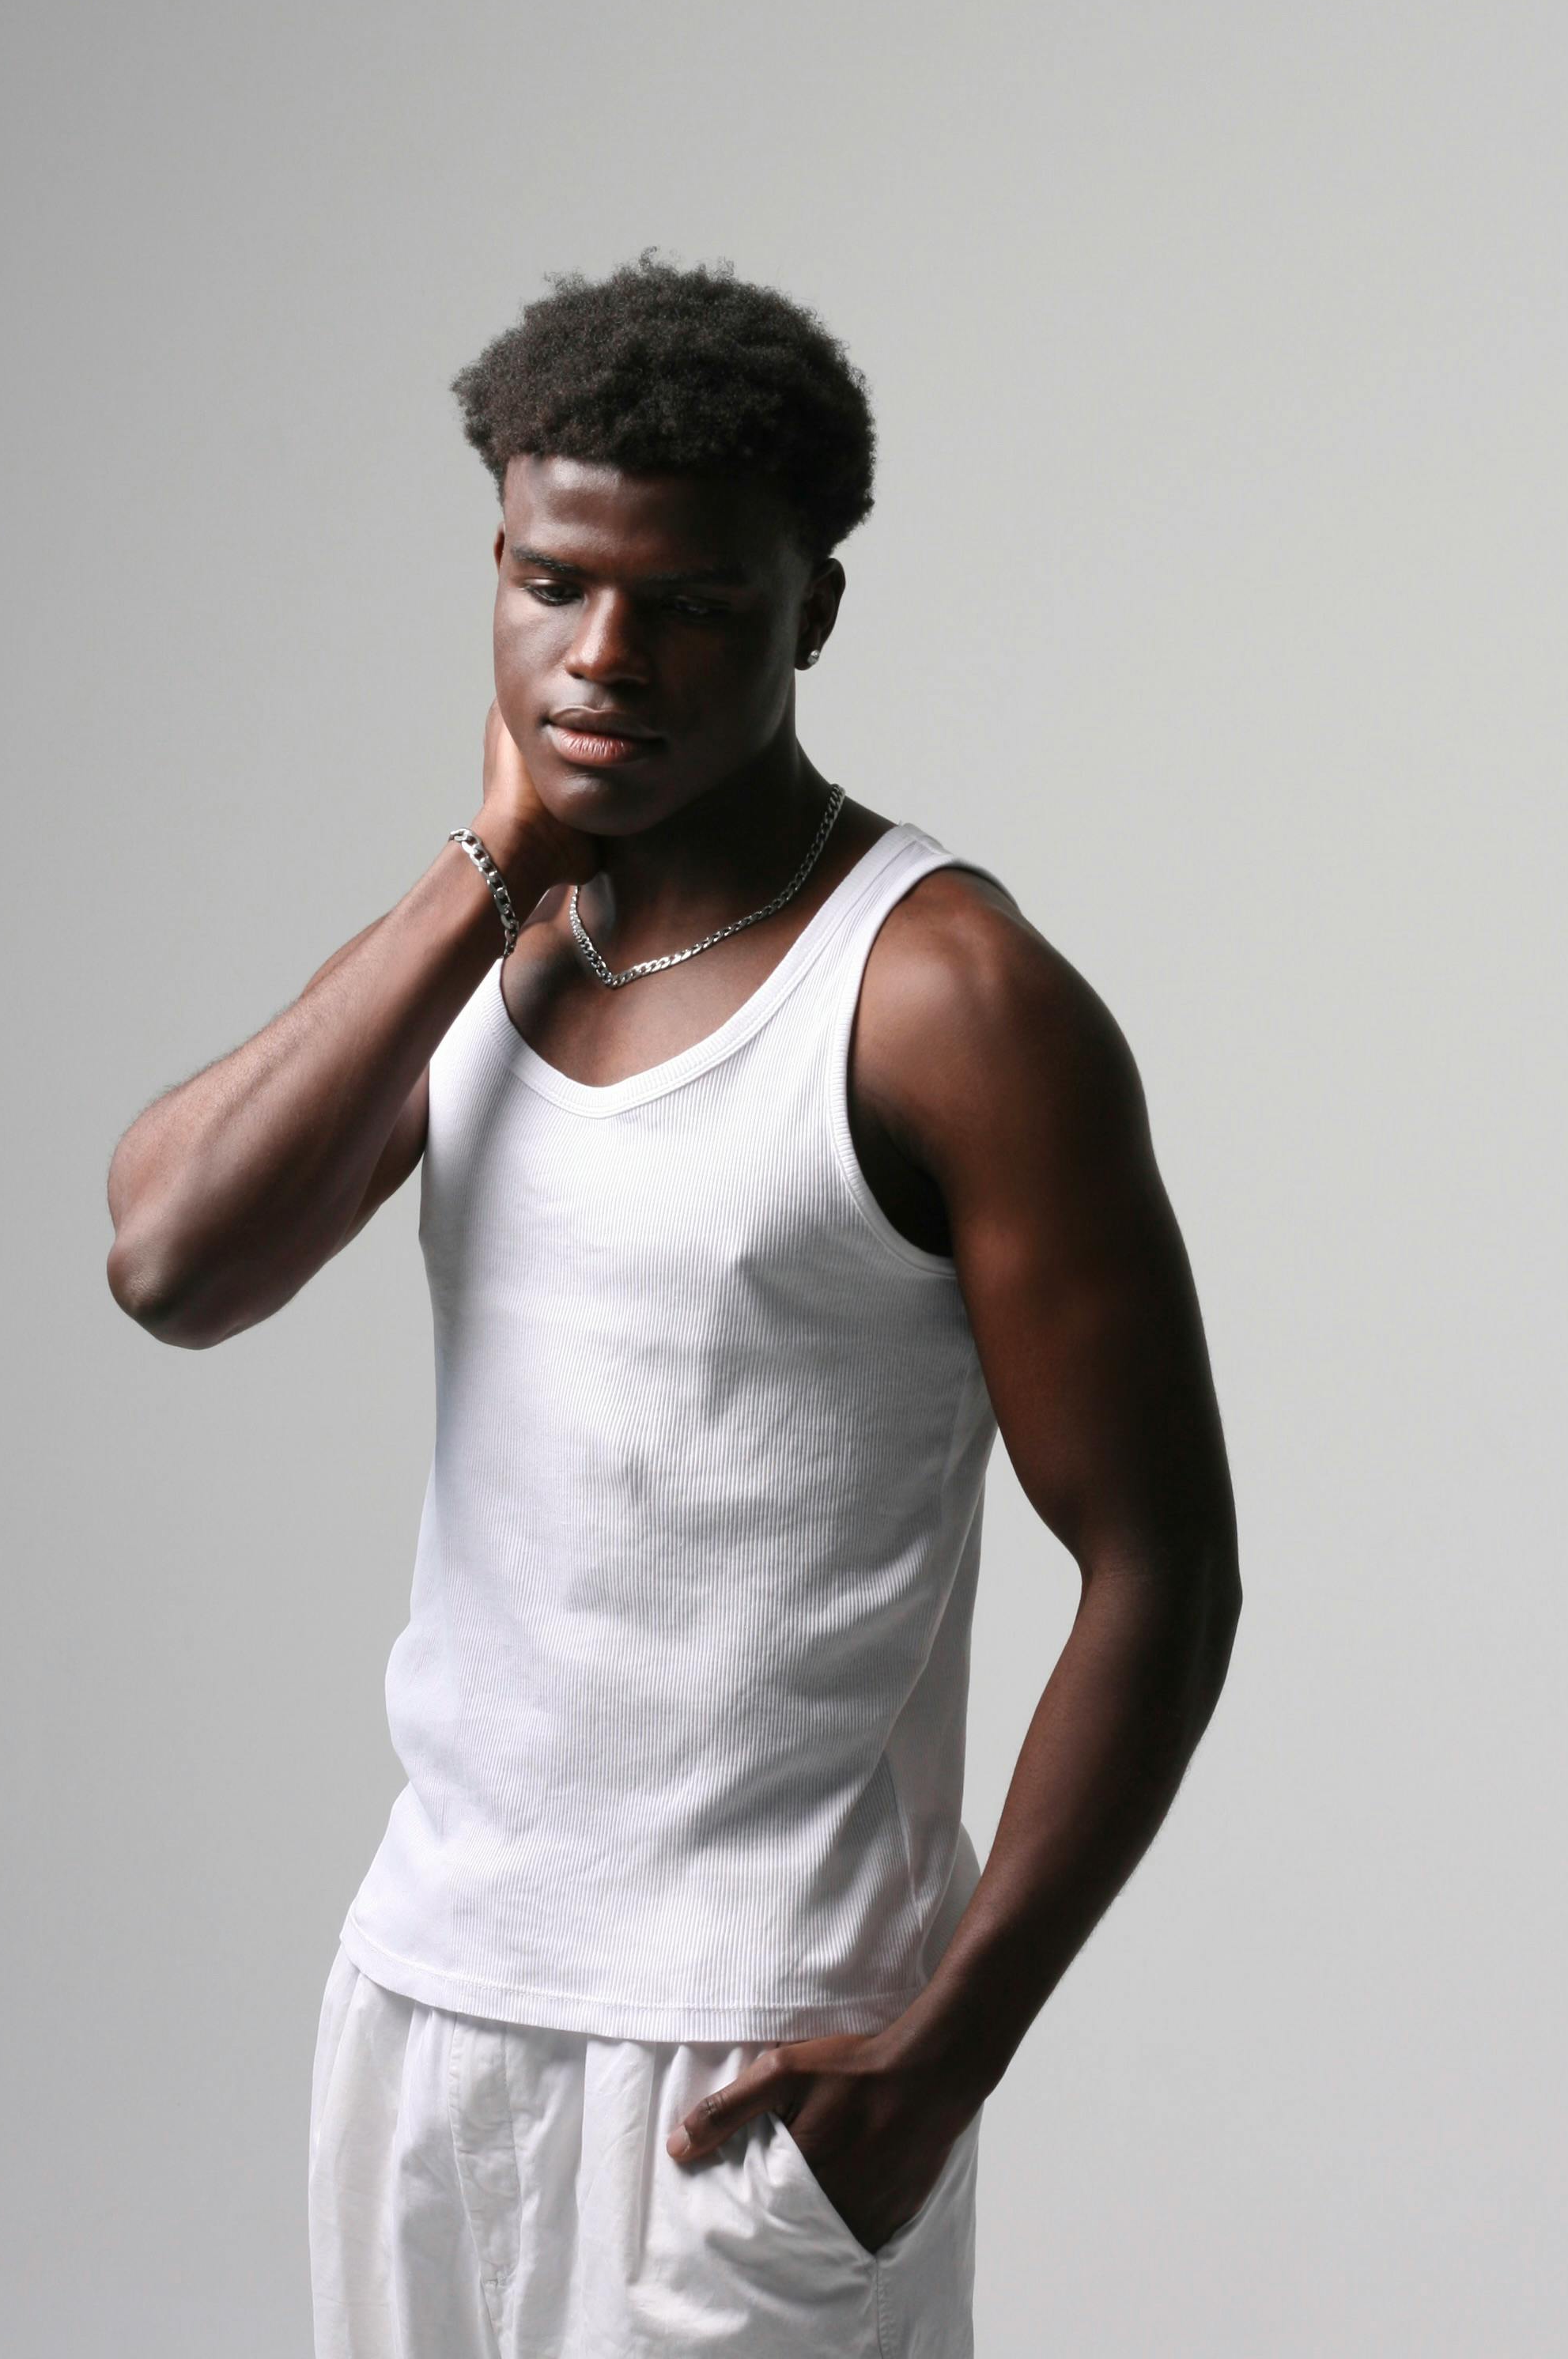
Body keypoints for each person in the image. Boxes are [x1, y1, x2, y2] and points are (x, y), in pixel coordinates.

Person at [106, 258, 1241, 2358]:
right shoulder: (497, 955)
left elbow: (1166, 1569)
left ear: (812, 607)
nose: (606, 652)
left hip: (758, 2050)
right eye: (555, 585)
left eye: (693, 602)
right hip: (430, 2008)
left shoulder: (945, 998)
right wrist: (500, 859)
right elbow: (175, 1261)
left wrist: (937, 2061)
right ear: (503, 565)